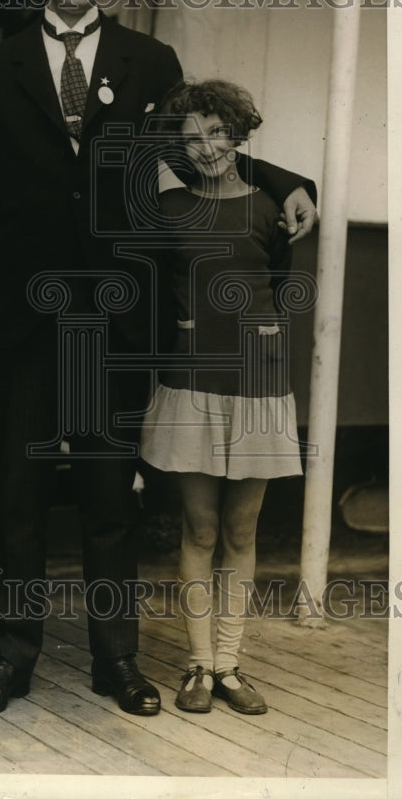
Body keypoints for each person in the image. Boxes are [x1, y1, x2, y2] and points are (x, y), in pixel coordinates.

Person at [0, 0, 316, 718]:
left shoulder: (151, 64)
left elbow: (204, 158)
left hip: (114, 327)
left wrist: (291, 183)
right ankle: (11, 657)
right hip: (24, 324)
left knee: (111, 505)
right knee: (18, 500)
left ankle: (116, 660)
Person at [140, 80, 306, 715]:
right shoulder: (170, 206)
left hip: (259, 386)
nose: (207, 146)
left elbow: (277, 284)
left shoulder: (272, 210)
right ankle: (198, 667)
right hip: (191, 383)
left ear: (239, 134)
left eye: (217, 132)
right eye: (192, 137)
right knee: (200, 527)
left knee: (242, 528)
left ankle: (232, 665)